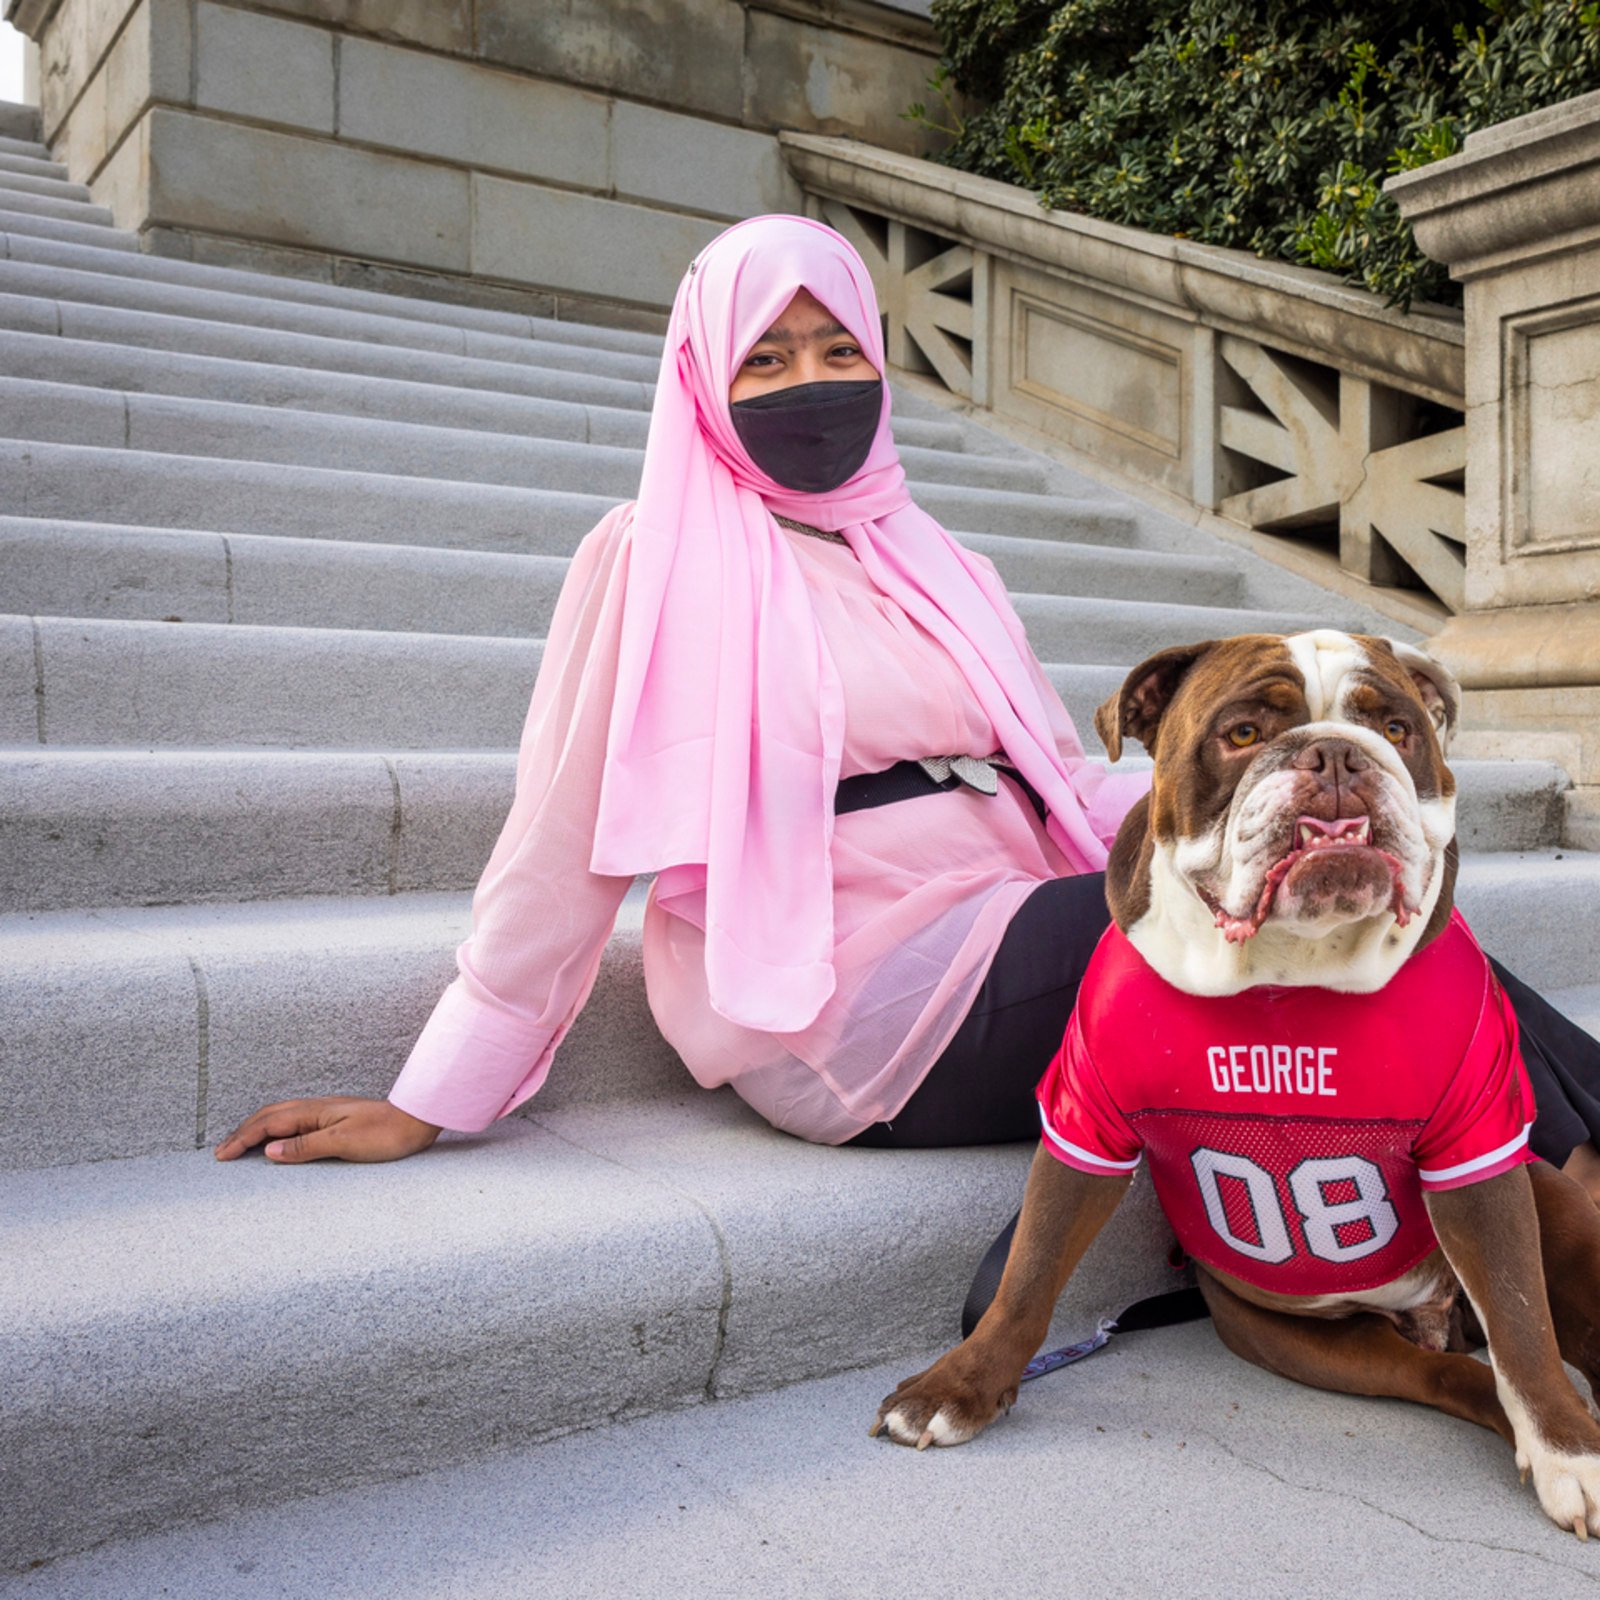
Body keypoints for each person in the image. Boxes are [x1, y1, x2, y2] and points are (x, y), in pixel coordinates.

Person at [213, 215, 1600, 1201]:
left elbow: (1053, 778)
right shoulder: (652, 557)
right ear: (704, 381)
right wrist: (437, 1086)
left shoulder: (942, 557)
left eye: (836, 348)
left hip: (1011, 915)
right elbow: (562, 834)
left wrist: (1280, 796)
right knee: (1340, 925)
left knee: (1368, 887)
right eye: (764, 358)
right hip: (854, 1004)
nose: (809, 384)